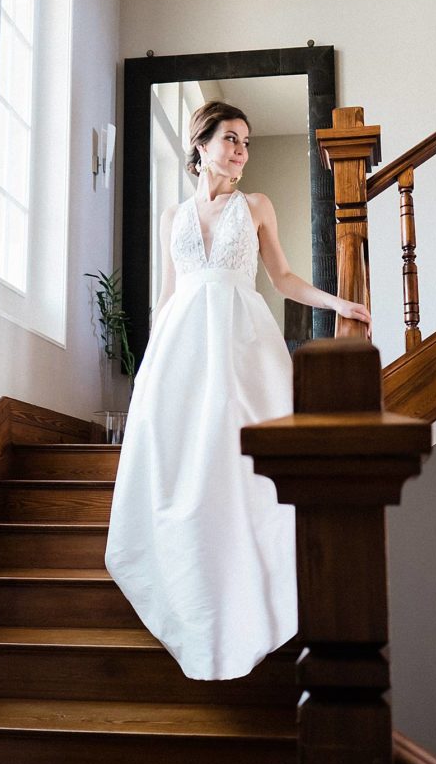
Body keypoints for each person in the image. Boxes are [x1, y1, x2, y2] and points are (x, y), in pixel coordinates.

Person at [104, 100, 370, 680]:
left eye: (246, 142)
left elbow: (282, 278)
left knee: (244, 468)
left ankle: (254, 598)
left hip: (241, 345)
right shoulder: (172, 215)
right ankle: (192, 600)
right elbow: (168, 297)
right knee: (183, 469)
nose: (242, 151)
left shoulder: (256, 206)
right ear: (200, 146)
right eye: (231, 139)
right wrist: (150, 370)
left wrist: (336, 302)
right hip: (181, 349)